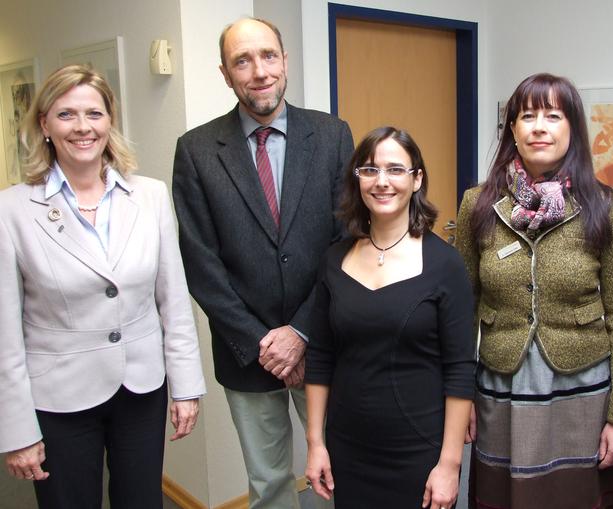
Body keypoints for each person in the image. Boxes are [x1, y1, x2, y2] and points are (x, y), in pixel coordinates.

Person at [0, 64, 206, 509]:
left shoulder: (149, 196)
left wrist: (186, 385)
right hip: (58, 398)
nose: (82, 127)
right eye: (66, 114)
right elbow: (5, 334)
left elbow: (172, 298)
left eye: (94, 114)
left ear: (110, 121)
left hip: (141, 387)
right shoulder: (12, 210)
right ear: (44, 124)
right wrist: (16, 429)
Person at [171, 17, 353, 509]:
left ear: (284, 61)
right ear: (225, 74)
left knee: (345, 470)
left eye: (268, 56)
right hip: (246, 354)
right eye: (242, 61)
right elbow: (200, 262)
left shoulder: (332, 135)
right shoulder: (197, 151)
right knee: (270, 482)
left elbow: (347, 244)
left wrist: (301, 332)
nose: (259, 71)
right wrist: (263, 344)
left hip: (325, 341)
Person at [455, 73, 613, 509]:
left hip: (583, 388)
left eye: (553, 116)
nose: (539, 126)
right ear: (513, 130)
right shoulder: (477, 205)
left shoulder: (605, 206)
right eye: (528, 116)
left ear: (572, 128)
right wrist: (459, 397)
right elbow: (460, 312)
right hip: (502, 384)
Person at [304, 126, 475, 509]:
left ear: (417, 180)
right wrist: (316, 443)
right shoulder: (334, 260)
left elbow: (461, 370)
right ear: (358, 180)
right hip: (348, 446)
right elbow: (320, 359)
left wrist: (449, 464)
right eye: (370, 170)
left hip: (417, 449)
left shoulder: (445, 265)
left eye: (396, 170)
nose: (382, 182)